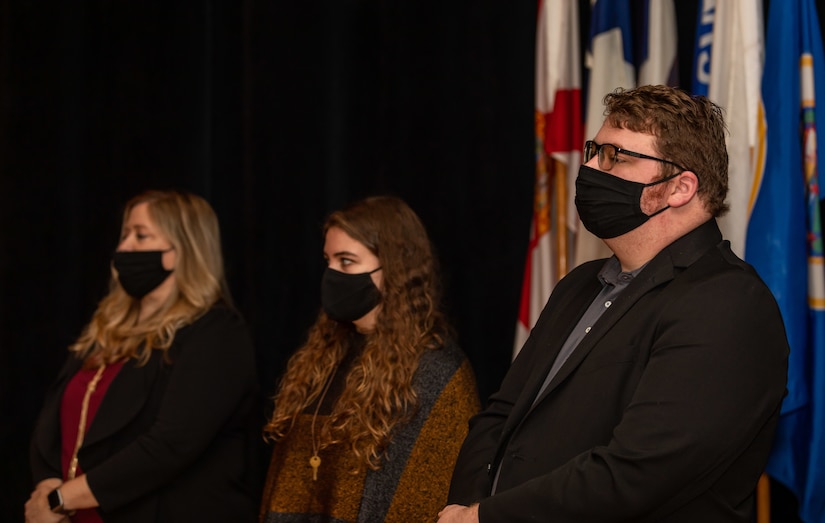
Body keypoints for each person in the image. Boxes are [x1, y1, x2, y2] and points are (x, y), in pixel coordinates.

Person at [439, 85, 790, 522]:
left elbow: (638, 473)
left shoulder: (729, 303)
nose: (588, 167)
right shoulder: (581, 284)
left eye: (615, 156)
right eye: (593, 151)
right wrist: (465, 508)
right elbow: (500, 417)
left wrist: (486, 518)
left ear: (679, 187)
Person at [26, 190, 260, 522]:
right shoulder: (105, 330)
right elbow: (51, 426)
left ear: (183, 249)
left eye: (141, 235)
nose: (124, 248)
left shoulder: (216, 333)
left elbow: (171, 445)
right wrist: (48, 489)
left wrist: (61, 498)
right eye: (124, 236)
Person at [260, 195, 479, 523]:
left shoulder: (436, 372)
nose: (332, 274)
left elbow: (427, 494)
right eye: (328, 261)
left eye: (346, 261)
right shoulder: (322, 358)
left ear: (394, 270)